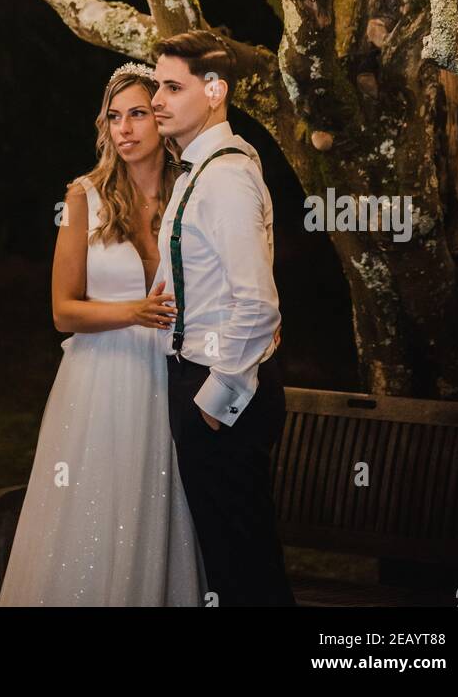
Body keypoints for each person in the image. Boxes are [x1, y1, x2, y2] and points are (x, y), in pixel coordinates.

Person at [0, 64, 205, 606]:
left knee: (162, 504)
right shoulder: (83, 196)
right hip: (99, 379)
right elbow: (63, 312)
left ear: (160, 120)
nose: (125, 129)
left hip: (171, 374)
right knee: (92, 506)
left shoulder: (191, 191)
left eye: (137, 114)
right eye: (114, 117)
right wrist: (132, 312)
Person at [151, 30, 297, 607]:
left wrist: (216, 402)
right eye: (157, 85)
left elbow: (258, 305)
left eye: (171, 86)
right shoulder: (202, 171)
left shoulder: (229, 177)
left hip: (223, 390)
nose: (158, 98)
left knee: (246, 566)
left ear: (215, 91)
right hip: (198, 377)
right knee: (227, 561)